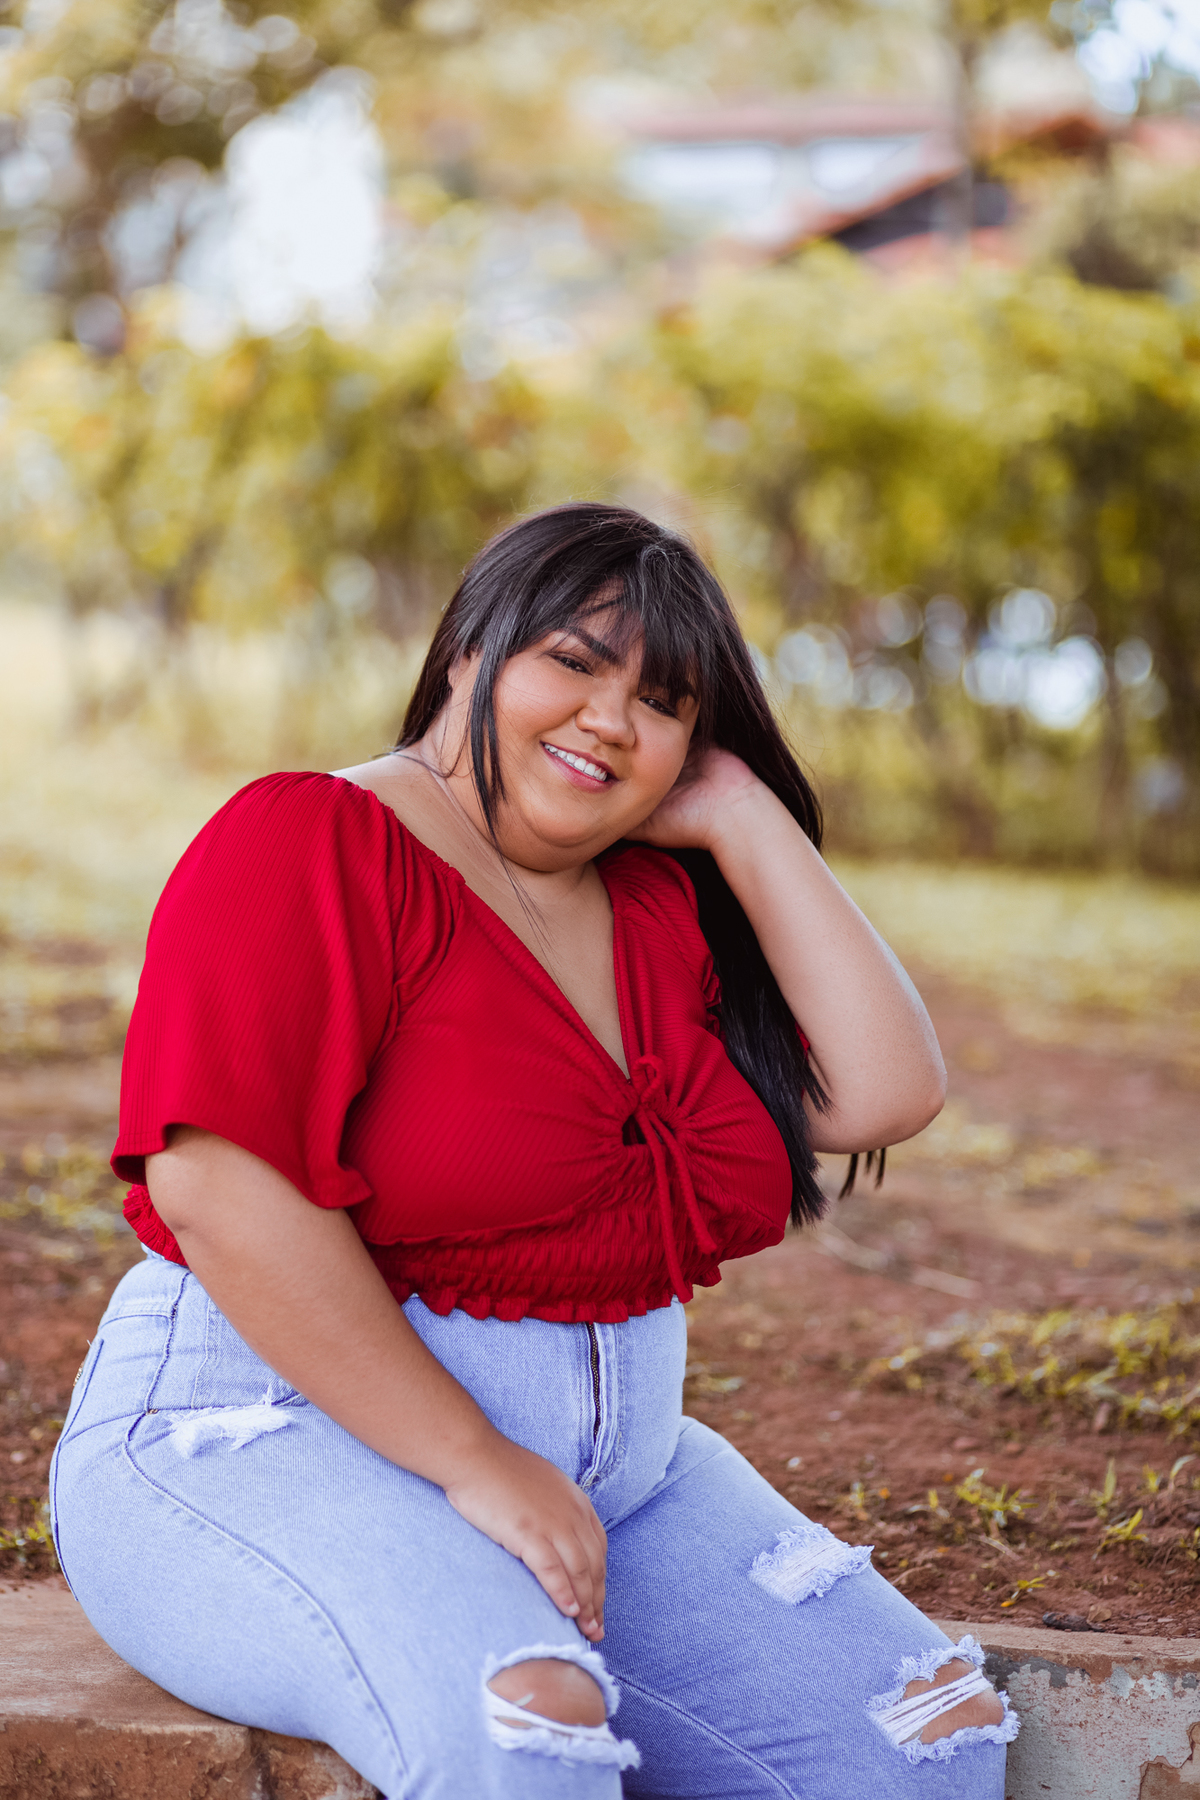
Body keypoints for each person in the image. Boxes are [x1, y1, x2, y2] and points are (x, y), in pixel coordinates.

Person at [50, 504, 1018, 1799]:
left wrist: (741, 816)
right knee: (530, 1727)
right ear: (468, 651)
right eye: (574, 662)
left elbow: (885, 1090)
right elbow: (220, 1187)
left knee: (923, 1737)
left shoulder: (651, 904)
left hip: (613, 1486)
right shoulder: (312, 840)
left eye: (664, 699)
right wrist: (474, 1459)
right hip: (262, 1439)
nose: (613, 719)